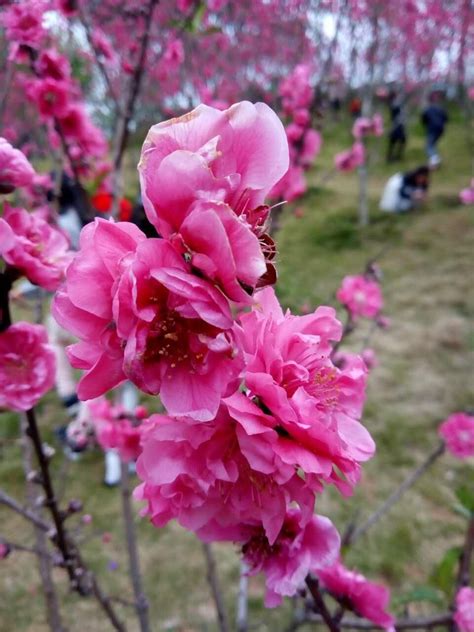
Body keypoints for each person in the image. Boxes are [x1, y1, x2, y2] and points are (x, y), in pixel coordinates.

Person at [421, 92, 448, 167]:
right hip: (440, 129)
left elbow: (424, 119)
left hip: (432, 129)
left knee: (428, 146)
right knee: (433, 144)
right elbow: (446, 118)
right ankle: (435, 159)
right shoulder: (441, 109)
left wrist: (427, 124)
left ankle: (435, 160)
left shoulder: (427, 109)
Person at [387, 92, 406, 162]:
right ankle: (394, 157)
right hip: (398, 126)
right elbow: (396, 117)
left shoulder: (394, 104)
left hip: (398, 125)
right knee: (399, 141)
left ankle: (393, 156)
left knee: (395, 142)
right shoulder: (395, 105)